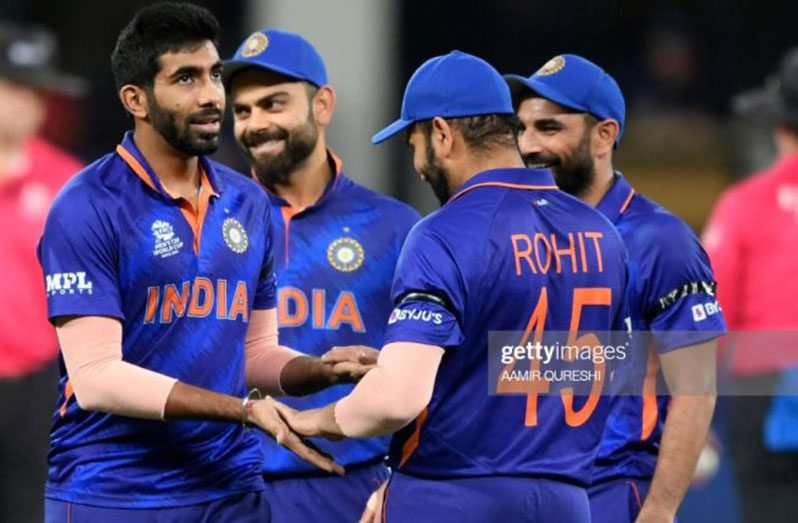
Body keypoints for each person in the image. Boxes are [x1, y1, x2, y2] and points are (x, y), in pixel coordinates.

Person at [37, 4, 369, 521]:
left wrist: (318, 371)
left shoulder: (248, 203)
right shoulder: (87, 205)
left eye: (214, 74)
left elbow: (256, 354)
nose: (213, 95)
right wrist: (241, 409)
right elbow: (98, 376)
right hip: (116, 492)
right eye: (186, 78)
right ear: (136, 100)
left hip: (229, 488)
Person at [277, 50, 630, 522]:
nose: (420, 164)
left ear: (441, 135)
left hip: (449, 495)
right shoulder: (602, 234)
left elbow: (395, 401)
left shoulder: (443, 232)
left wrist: (312, 420)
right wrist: (396, 360)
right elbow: (574, 367)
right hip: (565, 501)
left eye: (415, 145)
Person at [505, 54, 726, 523]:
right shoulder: (513, 232)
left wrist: (660, 510)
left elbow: (697, 389)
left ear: (604, 135)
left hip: (609, 491)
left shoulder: (659, 241)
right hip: (522, 489)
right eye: (520, 129)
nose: (527, 145)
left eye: (548, 129)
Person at [223, 29, 419, 522]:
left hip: (348, 489)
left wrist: (405, 482)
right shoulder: (209, 222)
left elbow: (426, 376)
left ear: (323, 105)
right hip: (225, 486)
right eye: (243, 111)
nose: (255, 123)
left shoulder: (394, 227)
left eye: (274, 104)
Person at [703, 48, 798, 523]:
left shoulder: (746, 205)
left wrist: (691, 417)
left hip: (769, 384)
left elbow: (710, 318)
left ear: (782, 129)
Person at [0, 21, 85, 523]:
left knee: (30, 507)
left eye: (37, 92)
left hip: (38, 383)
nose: (26, 104)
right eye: (14, 87)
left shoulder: (68, 184)